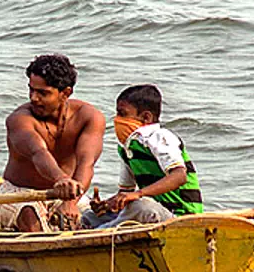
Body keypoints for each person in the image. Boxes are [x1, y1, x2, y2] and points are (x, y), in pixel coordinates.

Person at [0, 54, 105, 231]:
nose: (33, 98)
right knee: (31, 218)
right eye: (31, 90)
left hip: (68, 194)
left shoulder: (89, 117)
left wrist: (71, 201)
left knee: (91, 223)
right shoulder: (19, 120)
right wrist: (61, 178)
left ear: (65, 93)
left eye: (43, 93)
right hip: (20, 193)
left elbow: (86, 163)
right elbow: (38, 153)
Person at [82, 84, 203, 228]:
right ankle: (99, 228)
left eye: (123, 114)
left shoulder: (160, 137)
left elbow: (179, 176)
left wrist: (138, 194)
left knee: (141, 207)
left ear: (146, 117)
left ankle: (103, 233)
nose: (117, 120)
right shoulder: (127, 148)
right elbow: (126, 193)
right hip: (154, 209)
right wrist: (108, 205)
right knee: (90, 215)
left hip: (180, 216)